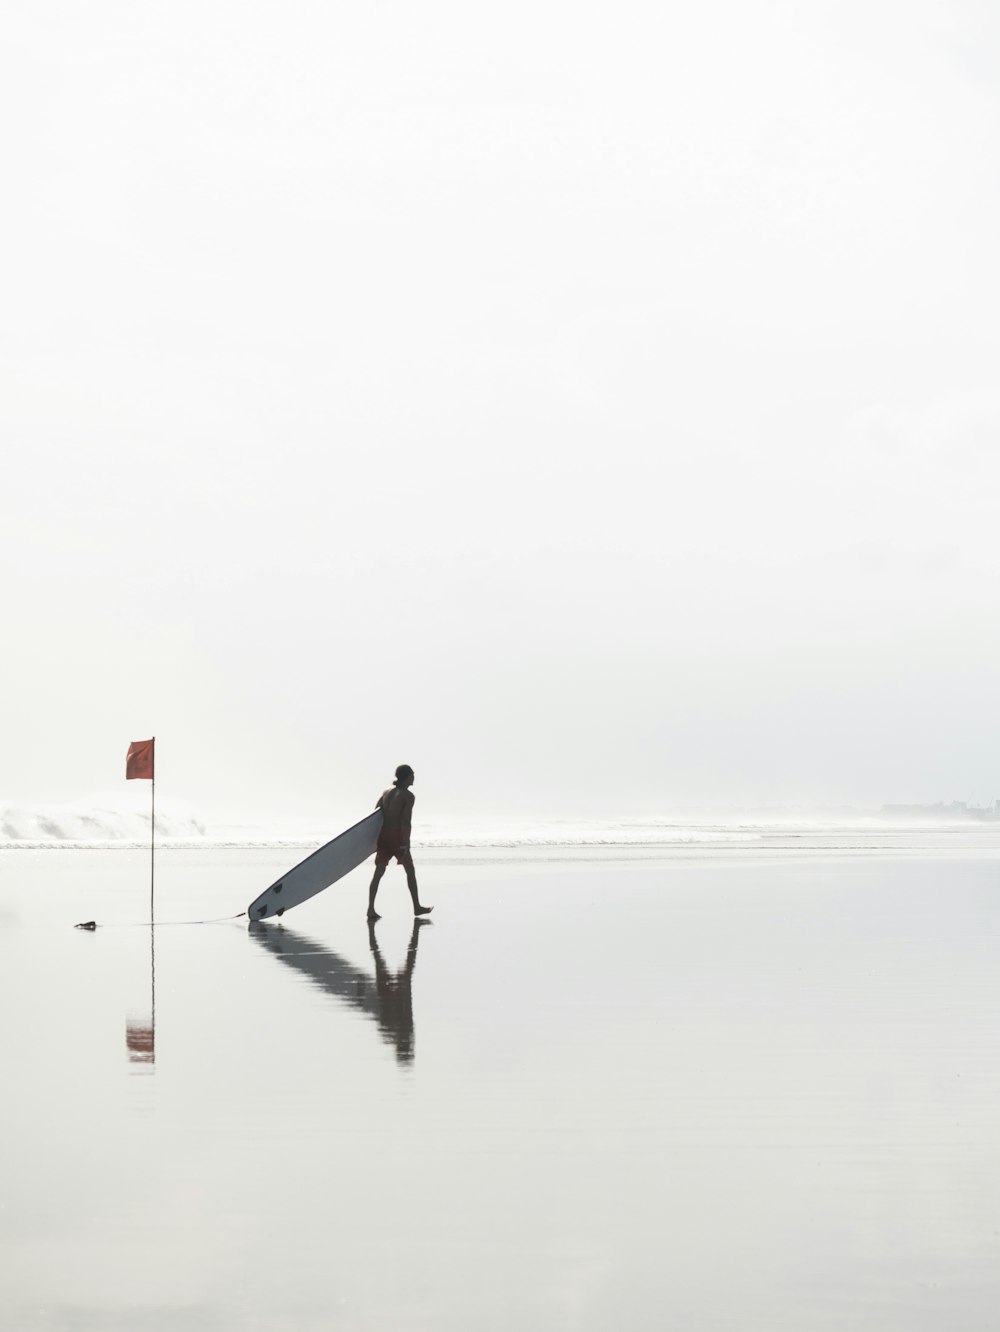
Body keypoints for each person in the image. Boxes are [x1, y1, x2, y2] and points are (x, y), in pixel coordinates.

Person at [367, 764, 433, 920]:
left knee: (379, 872)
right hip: (397, 837)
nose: (414, 778)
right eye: (412, 775)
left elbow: (375, 813)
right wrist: (406, 843)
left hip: (384, 835)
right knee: (410, 870)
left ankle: (370, 909)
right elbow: (406, 821)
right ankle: (416, 907)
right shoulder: (408, 796)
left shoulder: (386, 792)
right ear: (406, 776)